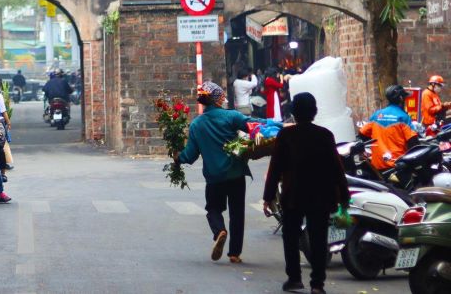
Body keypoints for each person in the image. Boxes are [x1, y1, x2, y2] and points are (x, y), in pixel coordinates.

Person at [263, 93, 349, 294]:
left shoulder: (286, 135)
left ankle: (294, 278)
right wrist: (344, 197)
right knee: (319, 238)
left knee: (290, 236)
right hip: (321, 196)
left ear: (294, 112)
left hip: (294, 196)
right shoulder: (325, 135)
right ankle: (317, 284)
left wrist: (268, 197)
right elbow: (337, 169)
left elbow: (275, 168)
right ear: (314, 111)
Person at [175, 81, 251, 264]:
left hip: (214, 176)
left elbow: (190, 155)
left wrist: (178, 158)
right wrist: (278, 125)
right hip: (235, 173)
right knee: (237, 213)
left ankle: (219, 231)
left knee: (213, 209)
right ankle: (234, 254)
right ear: (217, 98)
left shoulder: (196, 125)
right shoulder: (231, 116)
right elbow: (254, 126)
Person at [359, 85, 419, 172]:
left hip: (377, 166)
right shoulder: (403, 117)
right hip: (397, 165)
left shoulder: (377, 115)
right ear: (401, 98)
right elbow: (413, 142)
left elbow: (362, 134)